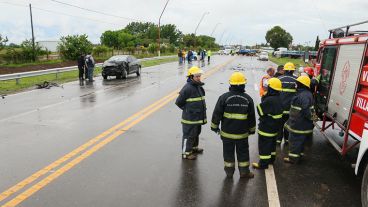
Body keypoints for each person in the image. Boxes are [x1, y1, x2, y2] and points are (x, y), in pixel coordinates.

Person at [211, 72, 256, 179]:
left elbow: (217, 113)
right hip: (242, 135)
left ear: (231, 84)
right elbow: (251, 117)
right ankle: (244, 172)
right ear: (243, 84)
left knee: (228, 154)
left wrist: (214, 127)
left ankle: (229, 172)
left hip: (227, 135)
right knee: (243, 153)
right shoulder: (248, 99)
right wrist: (252, 130)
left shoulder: (224, 97)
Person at [175, 66, 207, 160]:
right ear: (191, 77)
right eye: (197, 76)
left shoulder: (198, 87)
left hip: (197, 118)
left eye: (199, 76)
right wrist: (188, 110)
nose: (198, 78)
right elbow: (179, 102)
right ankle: (186, 153)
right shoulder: (187, 88)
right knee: (188, 135)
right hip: (190, 119)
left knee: (196, 133)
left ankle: (193, 148)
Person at [252, 78, 283, 169]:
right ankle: (271, 160)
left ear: (271, 88)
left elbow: (260, 111)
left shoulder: (269, 100)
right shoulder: (279, 98)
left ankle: (263, 164)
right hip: (274, 128)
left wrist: (263, 98)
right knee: (272, 144)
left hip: (266, 128)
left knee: (264, 146)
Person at [284, 76, 314, 164]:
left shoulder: (302, 95)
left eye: (298, 83)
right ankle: (299, 155)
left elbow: (307, 110)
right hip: (302, 124)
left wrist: (313, 119)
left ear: (302, 84)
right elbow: (311, 109)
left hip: (299, 124)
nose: (296, 84)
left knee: (295, 142)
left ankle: (293, 159)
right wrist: (314, 119)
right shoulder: (307, 94)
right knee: (301, 142)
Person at [277, 62, 297, 145]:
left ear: (284, 70)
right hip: (291, 109)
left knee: (279, 125)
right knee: (288, 125)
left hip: (280, 108)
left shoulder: (279, 79)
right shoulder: (297, 80)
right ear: (293, 71)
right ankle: (287, 140)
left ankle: (278, 141)